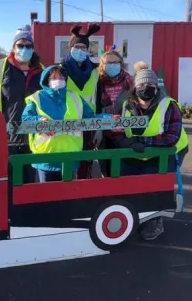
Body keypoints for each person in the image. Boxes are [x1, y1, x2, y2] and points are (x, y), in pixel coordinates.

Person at [114, 69, 189, 240]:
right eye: (141, 84)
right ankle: (133, 220)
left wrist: (142, 142)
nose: (145, 88)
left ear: (156, 87)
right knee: (129, 188)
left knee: (155, 189)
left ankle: (154, 221)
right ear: (135, 87)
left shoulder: (169, 105)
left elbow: (171, 136)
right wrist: (123, 141)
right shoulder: (127, 105)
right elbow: (117, 129)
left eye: (150, 85)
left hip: (162, 154)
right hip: (134, 153)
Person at [0, 25, 44, 182]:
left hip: (33, 138)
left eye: (28, 46)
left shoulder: (41, 71)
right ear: (13, 47)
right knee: (5, 184)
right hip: (6, 139)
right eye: (20, 45)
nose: (24, 49)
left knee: (29, 184)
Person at [22, 65, 95, 182]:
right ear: (46, 80)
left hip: (70, 156)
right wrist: (40, 121)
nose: (58, 79)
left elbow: (90, 117)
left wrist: (109, 118)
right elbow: (26, 119)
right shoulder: (37, 97)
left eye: (61, 77)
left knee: (68, 196)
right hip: (46, 156)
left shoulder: (75, 97)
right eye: (54, 77)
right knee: (47, 196)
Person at [61, 23, 102, 179]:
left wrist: (98, 127)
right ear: (71, 48)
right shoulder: (61, 69)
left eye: (83, 47)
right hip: (67, 124)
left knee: (86, 161)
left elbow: (98, 99)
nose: (80, 50)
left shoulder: (94, 71)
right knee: (68, 162)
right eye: (77, 46)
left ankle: (84, 190)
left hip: (88, 124)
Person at [98, 50, 133, 176]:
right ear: (102, 65)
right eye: (108, 63)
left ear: (121, 64)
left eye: (115, 62)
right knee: (106, 170)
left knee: (123, 170)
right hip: (103, 133)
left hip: (125, 134)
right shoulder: (97, 83)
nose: (112, 65)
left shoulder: (131, 82)